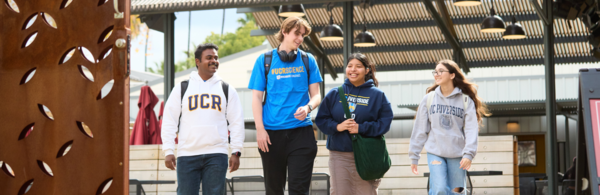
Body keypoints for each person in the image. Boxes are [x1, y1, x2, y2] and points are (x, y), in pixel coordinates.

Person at [248, 16, 323, 195]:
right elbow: (256, 97)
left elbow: (317, 95)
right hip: (271, 135)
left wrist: (308, 108)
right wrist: (260, 129)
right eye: (297, 33)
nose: (300, 38)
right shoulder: (264, 60)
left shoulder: (308, 60)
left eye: (303, 35)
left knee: (299, 190)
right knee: (274, 190)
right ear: (284, 32)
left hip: (301, 133)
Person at [161, 43, 245, 195]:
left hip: (216, 154)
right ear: (197, 61)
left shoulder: (227, 89)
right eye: (209, 57)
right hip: (187, 155)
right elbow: (169, 120)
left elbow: (237, 122)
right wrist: (168, 150)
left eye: (216, 57)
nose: (214, 60)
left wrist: (236, 151)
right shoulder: (182, 88)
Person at [408, 60, 490, 195]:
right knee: (439, 189)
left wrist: (469, 154)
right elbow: (420, 129)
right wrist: (414, 156)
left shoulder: (465, 101)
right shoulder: (428, 99)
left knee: (456, 192)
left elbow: (471, 130)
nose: (436, 74)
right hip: (435, 152)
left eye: (441, 71)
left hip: (457, 154)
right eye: (435, 71)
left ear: (452, 75)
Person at [315, 53, 393, 195]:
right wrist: (337, 126)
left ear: (367, 70)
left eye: (358, 66)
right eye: (350, 66)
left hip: (367, 155)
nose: (353, 70)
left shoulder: (377, 95)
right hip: (339, 155)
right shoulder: (335, 94)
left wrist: (360, 128)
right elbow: (321, 119)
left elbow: (385, 123)